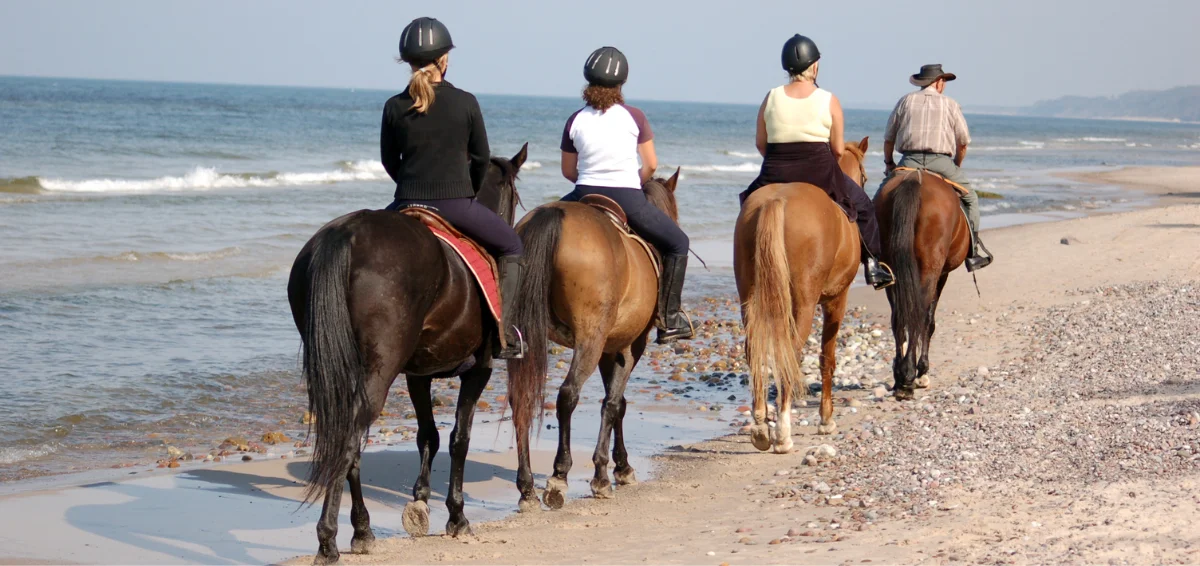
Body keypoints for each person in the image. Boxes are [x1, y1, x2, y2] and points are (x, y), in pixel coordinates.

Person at [380, 17, 525, 358]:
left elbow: (389, 161)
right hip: (455, 204)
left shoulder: (393, 106)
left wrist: (410, 188)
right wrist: (468, 194)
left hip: (404, 205)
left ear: (408, 63)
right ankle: (502, 336)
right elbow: (480, 157)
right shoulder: (466, 102)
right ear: (444, 60)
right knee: (513, 245)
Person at [558, 46, 693, 344]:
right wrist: (635, 181)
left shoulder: (575, 119)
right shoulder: (635, 116)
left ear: (588, 84)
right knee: (678, 243)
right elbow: (652, 165)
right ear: (621, 85)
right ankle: (669, 319)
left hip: (582, 193)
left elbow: (569, 171)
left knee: (535, 229)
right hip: (628, 197)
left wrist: (587, 181)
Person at [740, 34, 894, 290]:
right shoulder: (829, 100)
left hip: (775, 170)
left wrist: (781, 161)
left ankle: (746, 263)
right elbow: (836, 148)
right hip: (819, 171)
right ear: (814, 66)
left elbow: (760, 143)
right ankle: (873, 266)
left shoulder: (771, 97)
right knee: (864, 207)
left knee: (747, 205)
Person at [881, 64, 993, 271]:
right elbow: (963, 142)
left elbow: (888, 139)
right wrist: (956, 166)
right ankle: (974, 251)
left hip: (908, 161)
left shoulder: (905, 101)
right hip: (940, 162)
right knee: (971, 198)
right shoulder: (950, 104)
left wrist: (889, 163)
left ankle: (872, 254)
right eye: (944, 82)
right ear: (939, 82)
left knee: (879, 198)